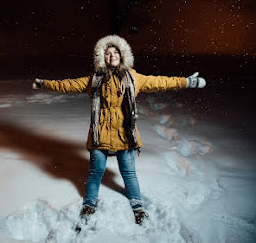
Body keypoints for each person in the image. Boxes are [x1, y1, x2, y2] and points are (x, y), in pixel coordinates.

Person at [32, 35, 205, 227]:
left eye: (115, 52)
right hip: (100, 134)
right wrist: (43, 83)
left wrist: (188, 82)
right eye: (108, 53)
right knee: (95, 172)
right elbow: (67, 84)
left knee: (129, 173)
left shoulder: (133, 77)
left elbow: (161, 82)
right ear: (102, 58)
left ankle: (138, 207)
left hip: (125, 134)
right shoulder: (95, 80)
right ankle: (89, 205)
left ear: (122, 56)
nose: (112, 56)